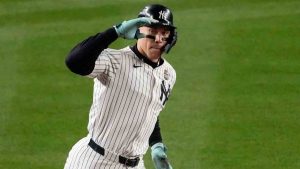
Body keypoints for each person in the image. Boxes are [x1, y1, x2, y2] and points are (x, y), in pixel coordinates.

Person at [64, 4, 177, 169]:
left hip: (136, 164)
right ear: (138, 29)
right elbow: (74, 62)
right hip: (95, 160)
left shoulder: (169, 73)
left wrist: (156, 145)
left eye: (164, 33)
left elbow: (150, 110)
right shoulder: (114, 61)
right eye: (152, 31)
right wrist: (115, 32)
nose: (158, 39)